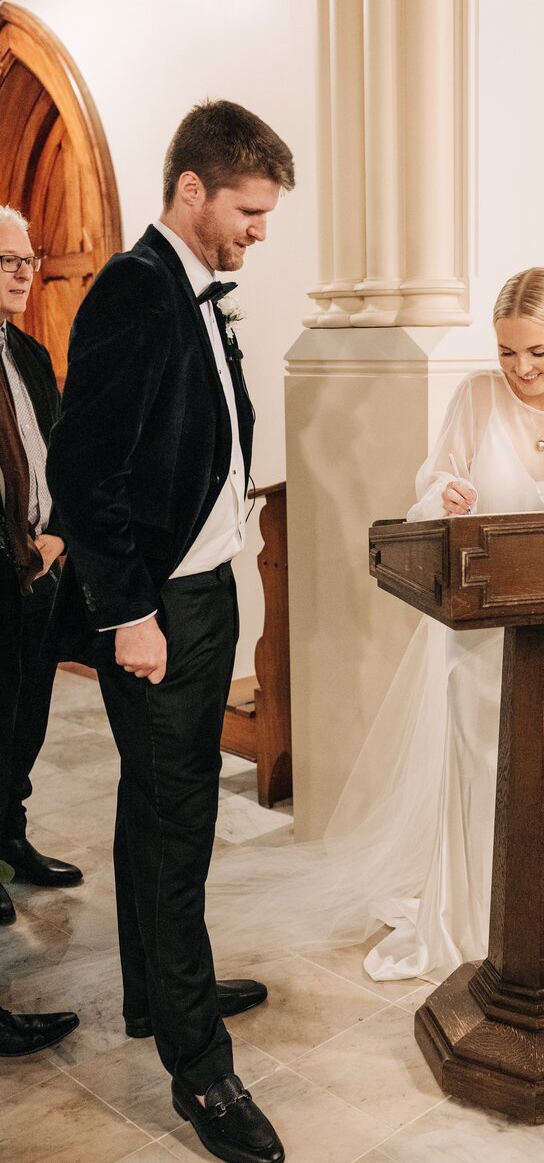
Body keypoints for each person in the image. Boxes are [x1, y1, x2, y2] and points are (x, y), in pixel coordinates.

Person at [219, 267, 544, 987]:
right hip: (481, 633)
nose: (520, 369)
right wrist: (448, 491)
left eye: (538, 353)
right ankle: (472, 917)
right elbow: (430, 489)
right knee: (482, 771)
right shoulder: (477, 396)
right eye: (506, 352)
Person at [46, 101, 294, 1163]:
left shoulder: (194, 292)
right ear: (190, 190)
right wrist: (131, 613)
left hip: (200, 592)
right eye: (248, 210)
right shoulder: (133, 293)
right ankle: (200, 1069)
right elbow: (82, 474)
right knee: (177, 821)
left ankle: (157, 991)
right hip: (158, 610)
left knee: (162, 812)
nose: (259, 230)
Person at [0, 205, 83, 929]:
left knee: (26, 718)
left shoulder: (26, 353)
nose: (26, 272)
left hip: (38, 567)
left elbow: (56, 454)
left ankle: (11, 839)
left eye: (30, 258)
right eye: (8, 261)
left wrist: (58, 533)